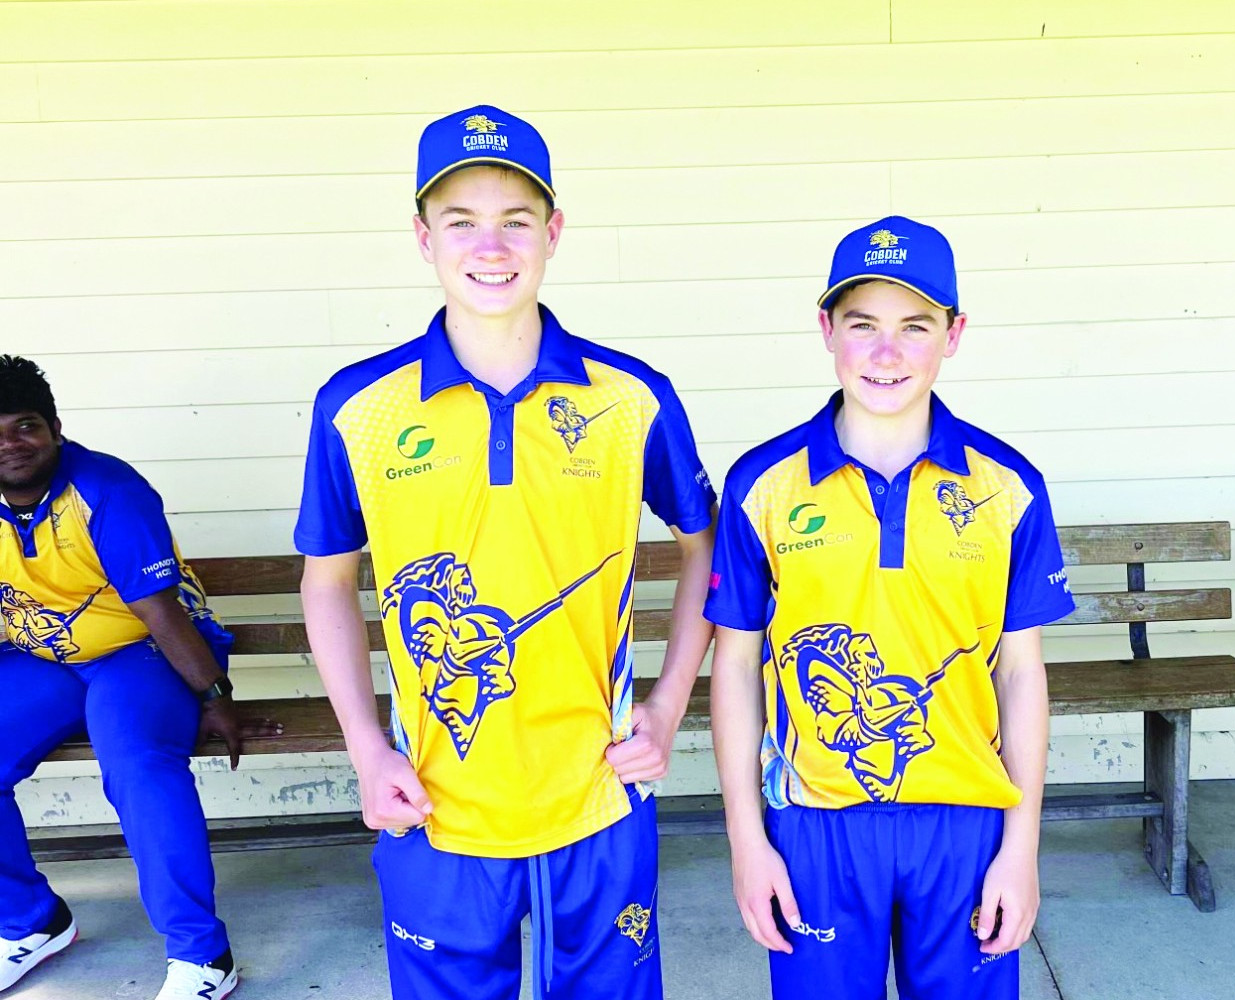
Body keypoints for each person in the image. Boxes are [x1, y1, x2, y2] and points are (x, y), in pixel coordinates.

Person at [295, 105, 717, 1000]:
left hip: (598, 796)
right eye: (462, 222)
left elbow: (704, 547)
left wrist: (672, 703)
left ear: (554, 232)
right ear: (423, 237)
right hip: (433, 806)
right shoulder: (357, 407)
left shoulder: (631, 397)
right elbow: (328, 580)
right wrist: (368, 750)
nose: (491, 247)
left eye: (516, 220)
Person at [706, 217, 1076, 999]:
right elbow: (735, 663)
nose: (886, 353)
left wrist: (1022, 847)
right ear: (826, 330)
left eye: (915, 327)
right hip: (816, 824)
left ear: (954, 334)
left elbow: (1021, 672)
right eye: (862, 325)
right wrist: (747, 839)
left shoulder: (1006, 485)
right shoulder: (763, 485)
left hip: (966, 822)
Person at [0, 355, 254, 1000]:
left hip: (146, 651)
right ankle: (32, 922)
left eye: (25, 425)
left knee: (137, 763)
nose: (10, 444)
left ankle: (202, 956)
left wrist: (214, 695)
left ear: (55, 428)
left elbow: (158, 610)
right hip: (46, 654)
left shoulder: (108, 488)